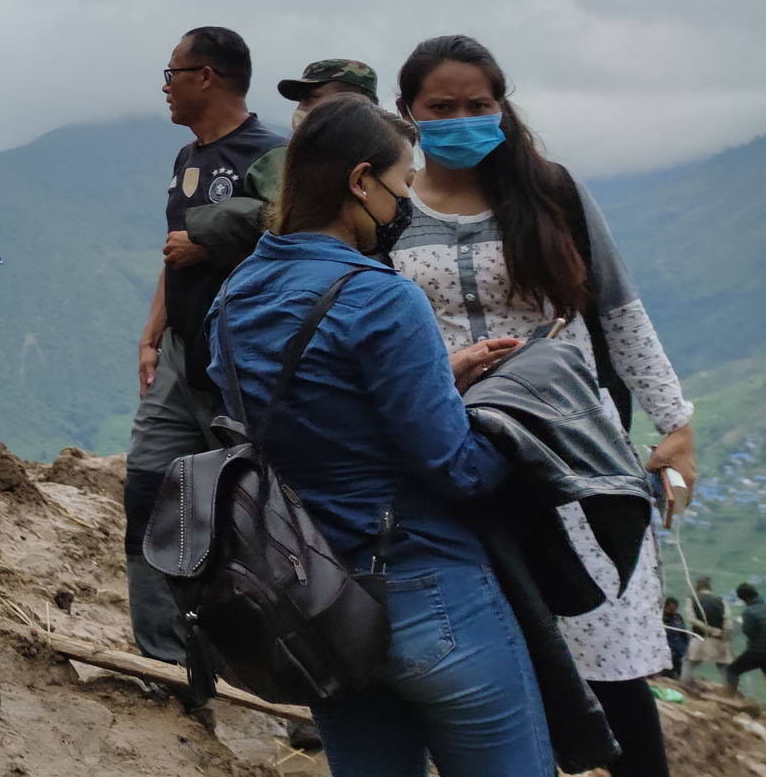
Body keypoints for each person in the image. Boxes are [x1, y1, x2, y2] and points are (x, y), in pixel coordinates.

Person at [210, 95, 548, 774]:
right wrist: (524, 424)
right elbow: (455, 467)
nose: (403, 208)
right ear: (360, 182)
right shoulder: (384, 298)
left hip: (319, 606)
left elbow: (307, 412)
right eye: (400, 188)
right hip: (431, 597)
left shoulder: (235, 296)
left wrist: (432, 379)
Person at [393, 34, 694, 777]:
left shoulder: (551, 192)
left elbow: (620, 313)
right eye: (442, 107)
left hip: (574, 450)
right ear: (408, 113)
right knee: (496, 663)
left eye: (479, 105)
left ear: (502, 107)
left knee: (611, 659)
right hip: (454, 455)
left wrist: (676, 425)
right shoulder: (387, 212)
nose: (463, 118)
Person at [125, 26, 284, 673]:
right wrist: (151, 333)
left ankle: (279, 668)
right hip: (180, 357)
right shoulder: (187, 157)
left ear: (207, 76)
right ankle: (166, 662)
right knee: (147, 492)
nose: (164, 86)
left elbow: (295, 240)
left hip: (242, 369)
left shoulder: (270, 154)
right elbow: (173, 252)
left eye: (172, 72)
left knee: (253, 520)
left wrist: (213, 243)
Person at [276, 57, 379, 125]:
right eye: (300, 101)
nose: (299, 110)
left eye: (309, 99)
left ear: (352, 103)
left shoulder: (385, 155)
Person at [686, 576, 731, 686]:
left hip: (699, 638)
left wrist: (708, 629)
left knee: (688, 663)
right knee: (724, 666)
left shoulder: (692, 600)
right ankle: (730, 689)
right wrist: (724, 640)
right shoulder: (721, 600)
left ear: (698, 587)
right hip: (719, 638)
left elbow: (692, 619)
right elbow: (728, 622)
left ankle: (685, 685)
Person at [729, 584, 766, 693]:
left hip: (756, 651)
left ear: (746, 598)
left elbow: (749, 631)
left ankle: (730, 697)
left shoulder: (749, 611)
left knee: (733, 670)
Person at [664, 598, 690, 679]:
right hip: (666, 651)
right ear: (665, 607)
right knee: (667, 674)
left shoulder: (678, 617)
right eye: (671, 609)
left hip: (678, 651)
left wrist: (686, 646)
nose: (673, 611)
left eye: (675, 609)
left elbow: (684, 633)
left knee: (679, 672)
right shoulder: (661, 618)